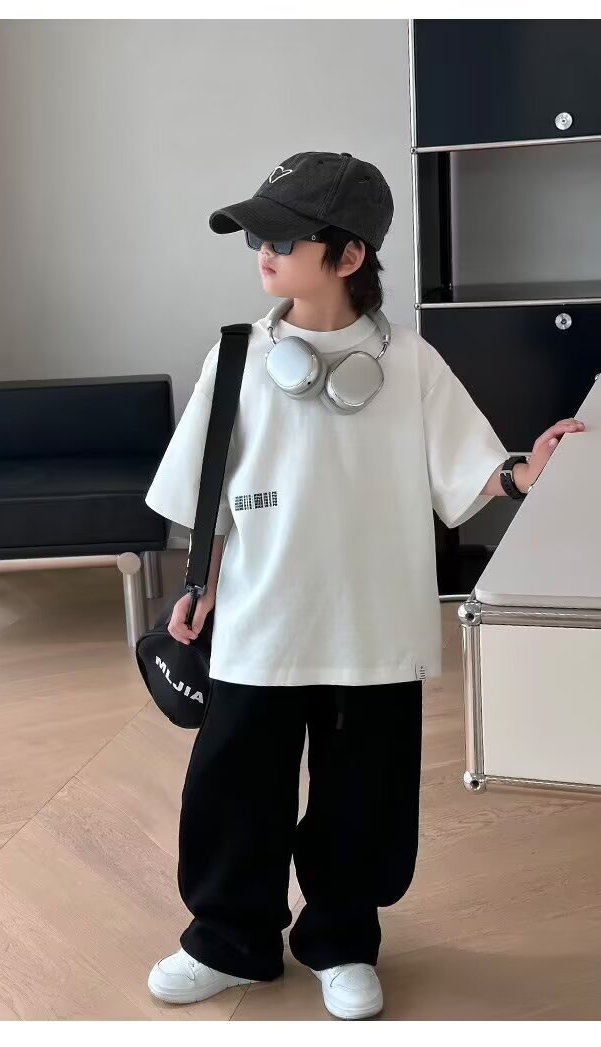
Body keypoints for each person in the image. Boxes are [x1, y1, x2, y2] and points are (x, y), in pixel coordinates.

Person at [142, 150, 585, 1020]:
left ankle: (342, 938)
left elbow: (466, 469)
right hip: (259, 626)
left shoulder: (411, 362)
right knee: (233, 788)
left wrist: (523, 472)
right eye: (257, 237)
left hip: (373, 628)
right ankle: (228, 938)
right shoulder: (235, 359)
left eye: (283, 238)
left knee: (363, 797)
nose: (263, 253)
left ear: (349, 255)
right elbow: (206, 495)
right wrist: (201, 587)